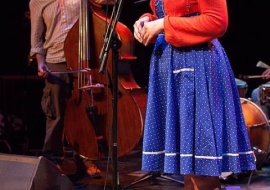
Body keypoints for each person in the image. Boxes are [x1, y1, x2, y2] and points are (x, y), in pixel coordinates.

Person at [133, 0, 256, 189]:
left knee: (202, 165)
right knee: (189, 169)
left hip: (196, 64)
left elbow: (217, 21)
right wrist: (148, 21)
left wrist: (163, 24)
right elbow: (171, 10)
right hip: (172, 66)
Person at [29, 0, 113, 178]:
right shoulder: (37, 2)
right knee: (56, 113)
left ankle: (85, 157)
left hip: (83, 57)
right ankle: (53, 159)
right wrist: (40, 62)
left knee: (85, 112)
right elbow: (36, 38)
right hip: (55, 59)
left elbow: (109, 2)